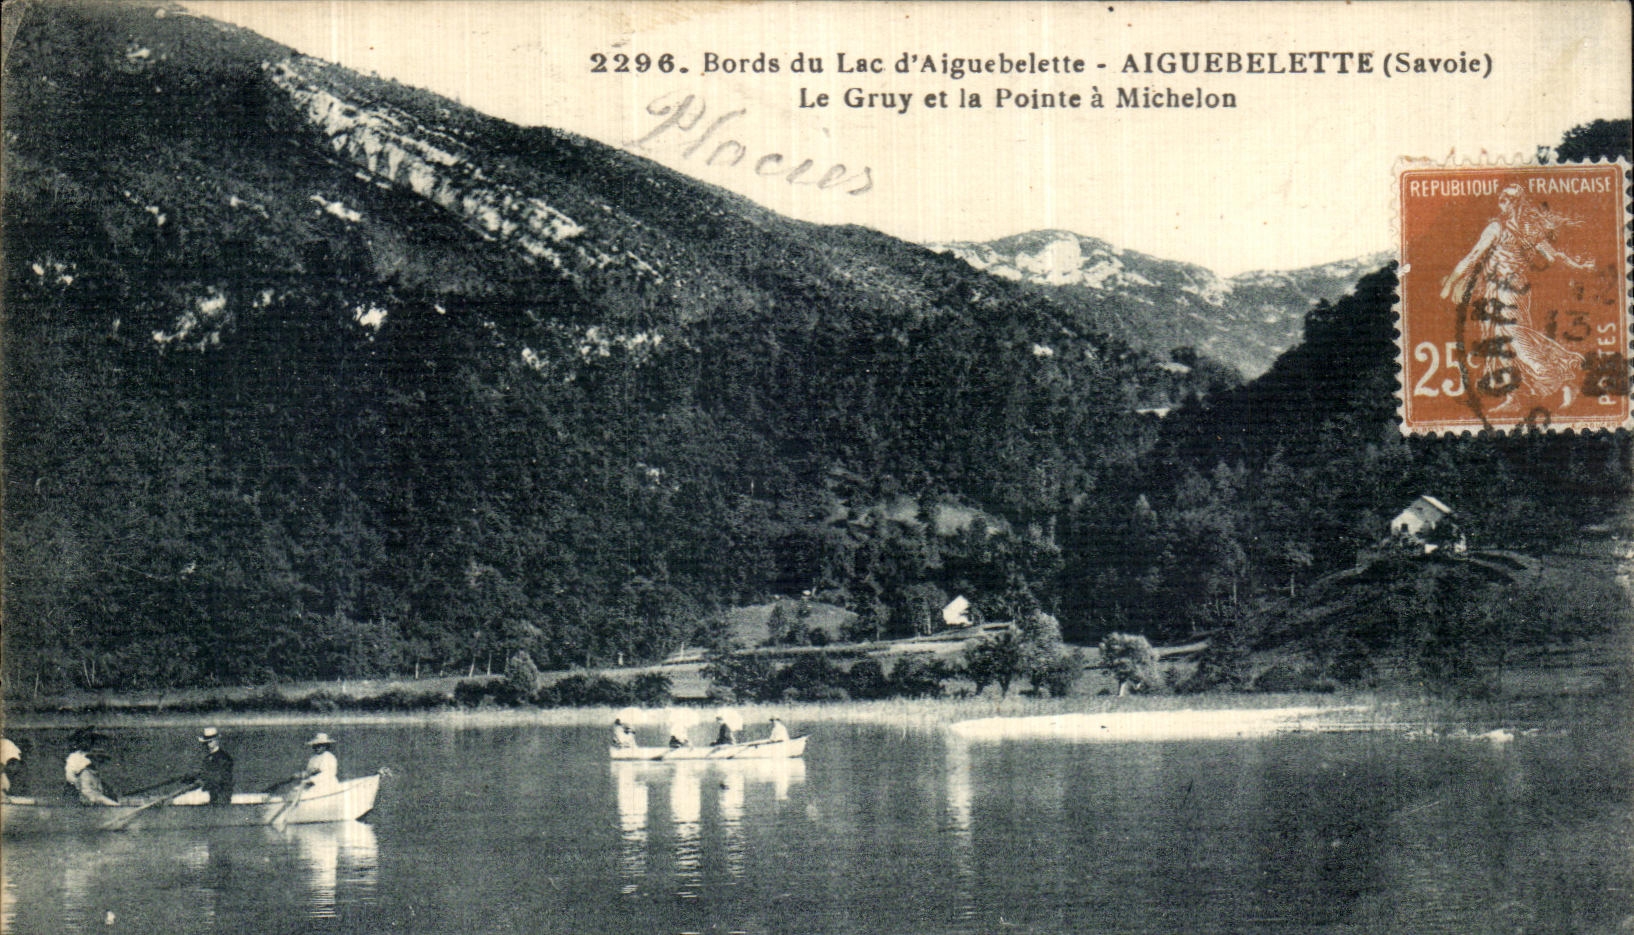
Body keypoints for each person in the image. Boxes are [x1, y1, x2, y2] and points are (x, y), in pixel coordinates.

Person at [1440, 183, 1594, 411]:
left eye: (1507, 200)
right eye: (1502, 199)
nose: (1502, 203)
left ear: (1515, 203)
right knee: (1498, 340)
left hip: (1509, 290)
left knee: (1513, 338)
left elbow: (1473, 257)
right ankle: (1515, 395)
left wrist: (1451, 282)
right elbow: (1554, 257)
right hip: (1501, 290)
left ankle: (1563, 378)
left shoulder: (1505, 228)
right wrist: (1577, 265)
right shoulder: (1521, 229)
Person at [64, 731, 119, 806]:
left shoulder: (95, 756)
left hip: (94, 787)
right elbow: (71, 778)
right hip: (82, 791)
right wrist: (79, 784)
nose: (88, 743)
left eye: (91, 741)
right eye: (85, 740)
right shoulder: (75, 757)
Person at [188, 727, 235, 805]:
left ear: (217, 740)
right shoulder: (207, 758)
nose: (208, 744)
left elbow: (222, 778)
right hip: (212, 795)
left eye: (210, 741)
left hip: (222, 796)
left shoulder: (225, 757)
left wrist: (204, 779)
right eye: (206, 742)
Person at [298, 733, 342, 797]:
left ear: (325, 746)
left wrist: (312, 780)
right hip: (315, 785)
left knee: (308, 793)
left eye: (319, 745)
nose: (317, 748)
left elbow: (329, 773)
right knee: (297, 790)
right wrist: (302, 774)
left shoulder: (329, 757)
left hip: (328, 785)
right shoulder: (313, 758)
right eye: (315, 746)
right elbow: (309, 772)